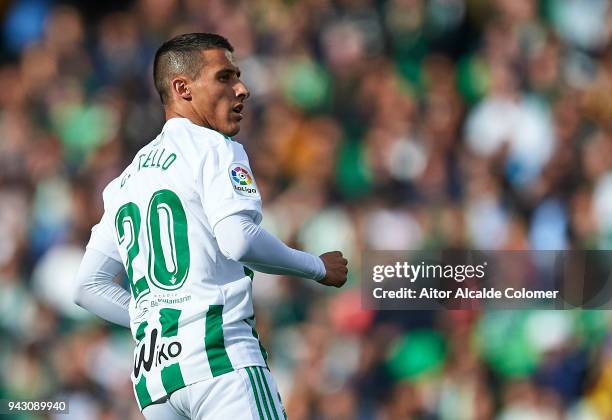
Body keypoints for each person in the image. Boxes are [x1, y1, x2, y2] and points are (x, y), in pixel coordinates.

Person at [73, 32, 348, 420]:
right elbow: (238, 240)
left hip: (156, 383)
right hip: (221, 363)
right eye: (225, 77)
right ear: (182, 88)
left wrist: (160, 319)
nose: (242, 88)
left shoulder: (124, 183)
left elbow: (89, 287)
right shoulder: (215, 148)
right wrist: (317, 267)